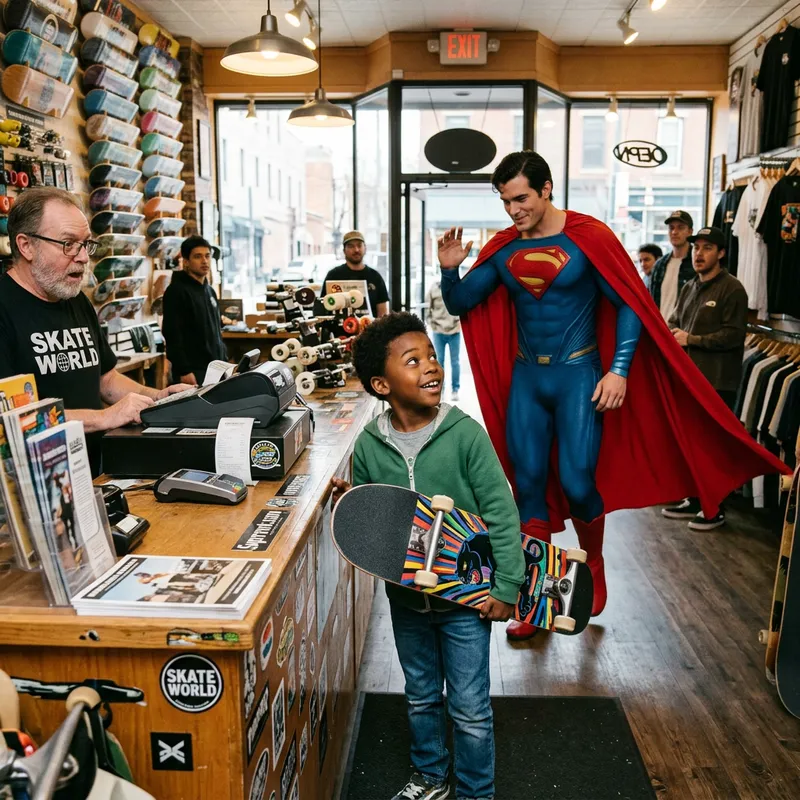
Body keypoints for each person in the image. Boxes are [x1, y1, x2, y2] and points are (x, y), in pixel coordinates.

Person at [437, 150, 788, 641]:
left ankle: (592, 565)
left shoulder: (590, 238)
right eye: (505, 202)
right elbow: (459, 303)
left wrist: (619, 370)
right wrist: (450, 270)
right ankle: (536, 601)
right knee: (529, 483)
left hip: (581, 375)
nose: (513, 211)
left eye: (520, 199)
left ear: (546, 189)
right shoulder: (504, 250)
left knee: (578, 482)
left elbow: (628, 303)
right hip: (527, 380)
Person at [331, 312, 524, 800]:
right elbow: (377, 513)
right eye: (412, 361)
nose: (430, 368)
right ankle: (430, 776)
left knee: (470, 707)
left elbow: (501, 515)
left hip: (466, 603)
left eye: (432, 357)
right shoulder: (370, 444)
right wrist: (349, 497)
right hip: (407, 601)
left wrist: (506, 588)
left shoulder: (465, 435)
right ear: (381, 384)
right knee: (420, 697)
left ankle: (476, 792)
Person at [0, 188, 191, 475]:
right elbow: (14, 420)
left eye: (85, 244)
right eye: (68, 244)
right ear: (26, 246)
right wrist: (104, 418)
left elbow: (106, 380)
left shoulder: (75, 300)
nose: (82, 257)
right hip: (33, 486)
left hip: (94, 471)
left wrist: (159, 400)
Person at [663, 226, 748, 530]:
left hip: (717, 381)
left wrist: (692, 339)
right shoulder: (690, 287)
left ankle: (716, 509)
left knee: (712, 446)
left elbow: (734, 336)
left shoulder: (733, 289)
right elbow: (674, 322)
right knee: (690, 444)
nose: (699, 254)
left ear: (721, 253)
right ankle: (695, 498)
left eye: (707, 248)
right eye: (697, 248)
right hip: (689, 380)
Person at [161, 235, 228, 386]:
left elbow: (216, 332)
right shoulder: (176, 291)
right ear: (186, 261)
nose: (204, 261)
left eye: (207, 256)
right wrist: (184, 371)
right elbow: (172, 334)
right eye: (198, 256)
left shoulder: (209, 290)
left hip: (216, 369)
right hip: (193, 372)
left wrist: (225, 362)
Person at [319, 231, 390, 317]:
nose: (356, 250)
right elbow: (323, 309)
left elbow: (383, 314)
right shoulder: (333, 275)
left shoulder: (375, 277)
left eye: (359, 245)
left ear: (365, 248)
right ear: (344, 250)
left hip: (370, 329)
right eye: (351, 246)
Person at [649, 210, 696, 321]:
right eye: (671, 228)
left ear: (690, 231)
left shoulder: (697, 264)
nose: (674, 232)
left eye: (680, 227)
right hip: (660, 329)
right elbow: (652, 301)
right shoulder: (659, 265)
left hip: (684, 331)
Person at [426, 278, 461, 401]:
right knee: (439, 362)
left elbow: (463, 306)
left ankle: (455, 389)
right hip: (438, 331)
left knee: (455, 361)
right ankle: (441, 388)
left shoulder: (457, 287)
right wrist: (431, 323)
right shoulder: (434, 288)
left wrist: (459, 323)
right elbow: (427, 308)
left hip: (454, 331)